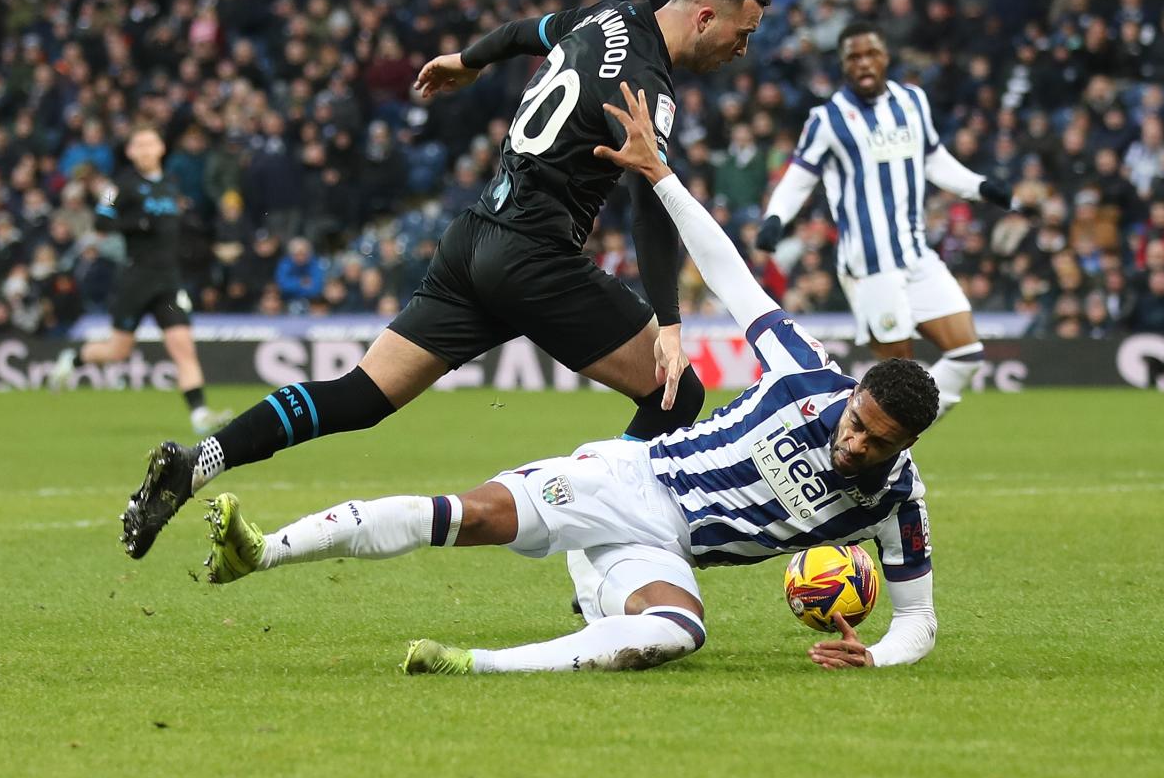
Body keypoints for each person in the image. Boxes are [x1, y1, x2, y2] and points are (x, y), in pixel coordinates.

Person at [201, 84, 939, 675]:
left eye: (876, 444)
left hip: (663, 554)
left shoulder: (899, 502)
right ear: (855, 395)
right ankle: (262, 551)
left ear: (904, 445)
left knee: (680, 633)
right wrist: (663, 176)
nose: (854, 443)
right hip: (627, 478)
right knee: (469, 518)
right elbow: (732, 275)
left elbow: (917, 622)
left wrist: (873, 655)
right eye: (856, 422)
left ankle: (474, 663)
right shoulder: (806, 373)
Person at [119, 0, 772, 559]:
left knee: (361, 395)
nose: (742, 52)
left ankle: (197, 461)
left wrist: (468, 57)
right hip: (534, 258)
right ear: (705, 15)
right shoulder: (646, 83)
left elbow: (529, 29)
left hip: (475, 239)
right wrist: (671, 323)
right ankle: (605, 547)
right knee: (677, 391)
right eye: (741, 35)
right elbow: (651, 198)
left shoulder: (611, 17)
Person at [756, 21, 1017, 417]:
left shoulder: (913, 101)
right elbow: (799, 176)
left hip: (917, 255)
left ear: (885, 58)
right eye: (853, 57)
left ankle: (891, 437)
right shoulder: (827, 119)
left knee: (967, 354)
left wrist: (978, 186)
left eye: (870, 54)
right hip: (870, 264)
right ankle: (878, 449)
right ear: (843, 65)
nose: (863, 63)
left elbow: (933, 159)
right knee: (898, 378)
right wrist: (775, 217)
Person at [49, 126, 231, 435]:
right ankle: (73, 357)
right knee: (118, 351)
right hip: (136, 279)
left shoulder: (172, 185)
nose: (145, 150)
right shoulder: (116, 186)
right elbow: (101, 220)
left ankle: (200, 414)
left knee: (183, 346)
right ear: (131, 152)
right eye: (138, 145)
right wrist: (136, 223)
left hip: (169, 281)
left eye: (150, 143)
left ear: (161, 148)